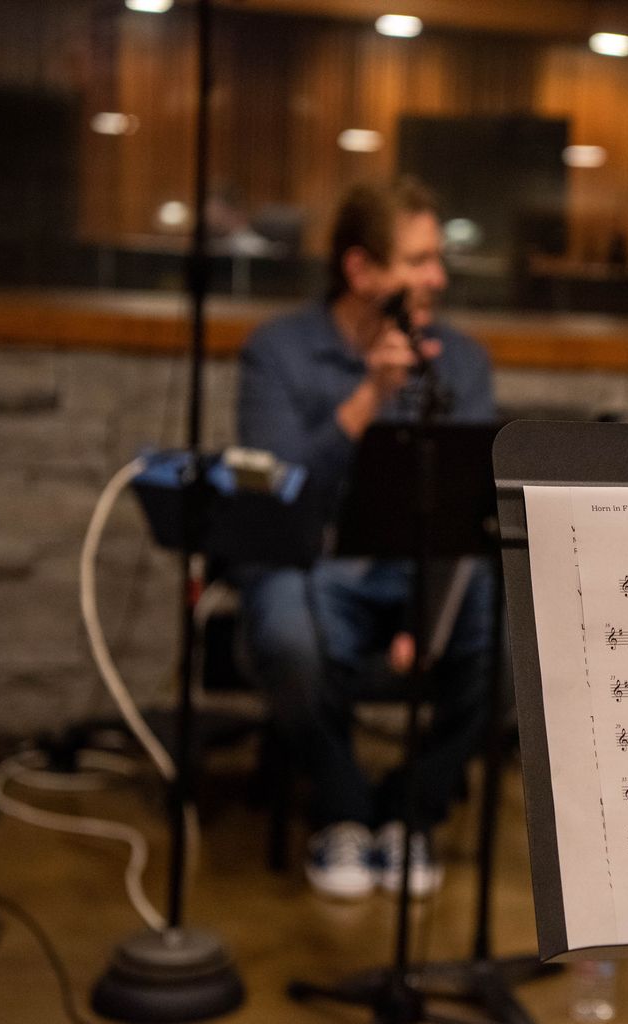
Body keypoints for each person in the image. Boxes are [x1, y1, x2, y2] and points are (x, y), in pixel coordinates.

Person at [234, 176, 497, 900]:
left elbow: (465, 504)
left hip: (417, 565)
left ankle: (414, 810)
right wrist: (369, 397)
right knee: (287, 628)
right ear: (360, 270)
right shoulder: (277, 352)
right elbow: (279, 496)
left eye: (437, 259)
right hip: (312, 564)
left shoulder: (461, 361)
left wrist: (428, 609)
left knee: (510, 627)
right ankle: (344, 809)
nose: (438, 278)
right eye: (418, 261)